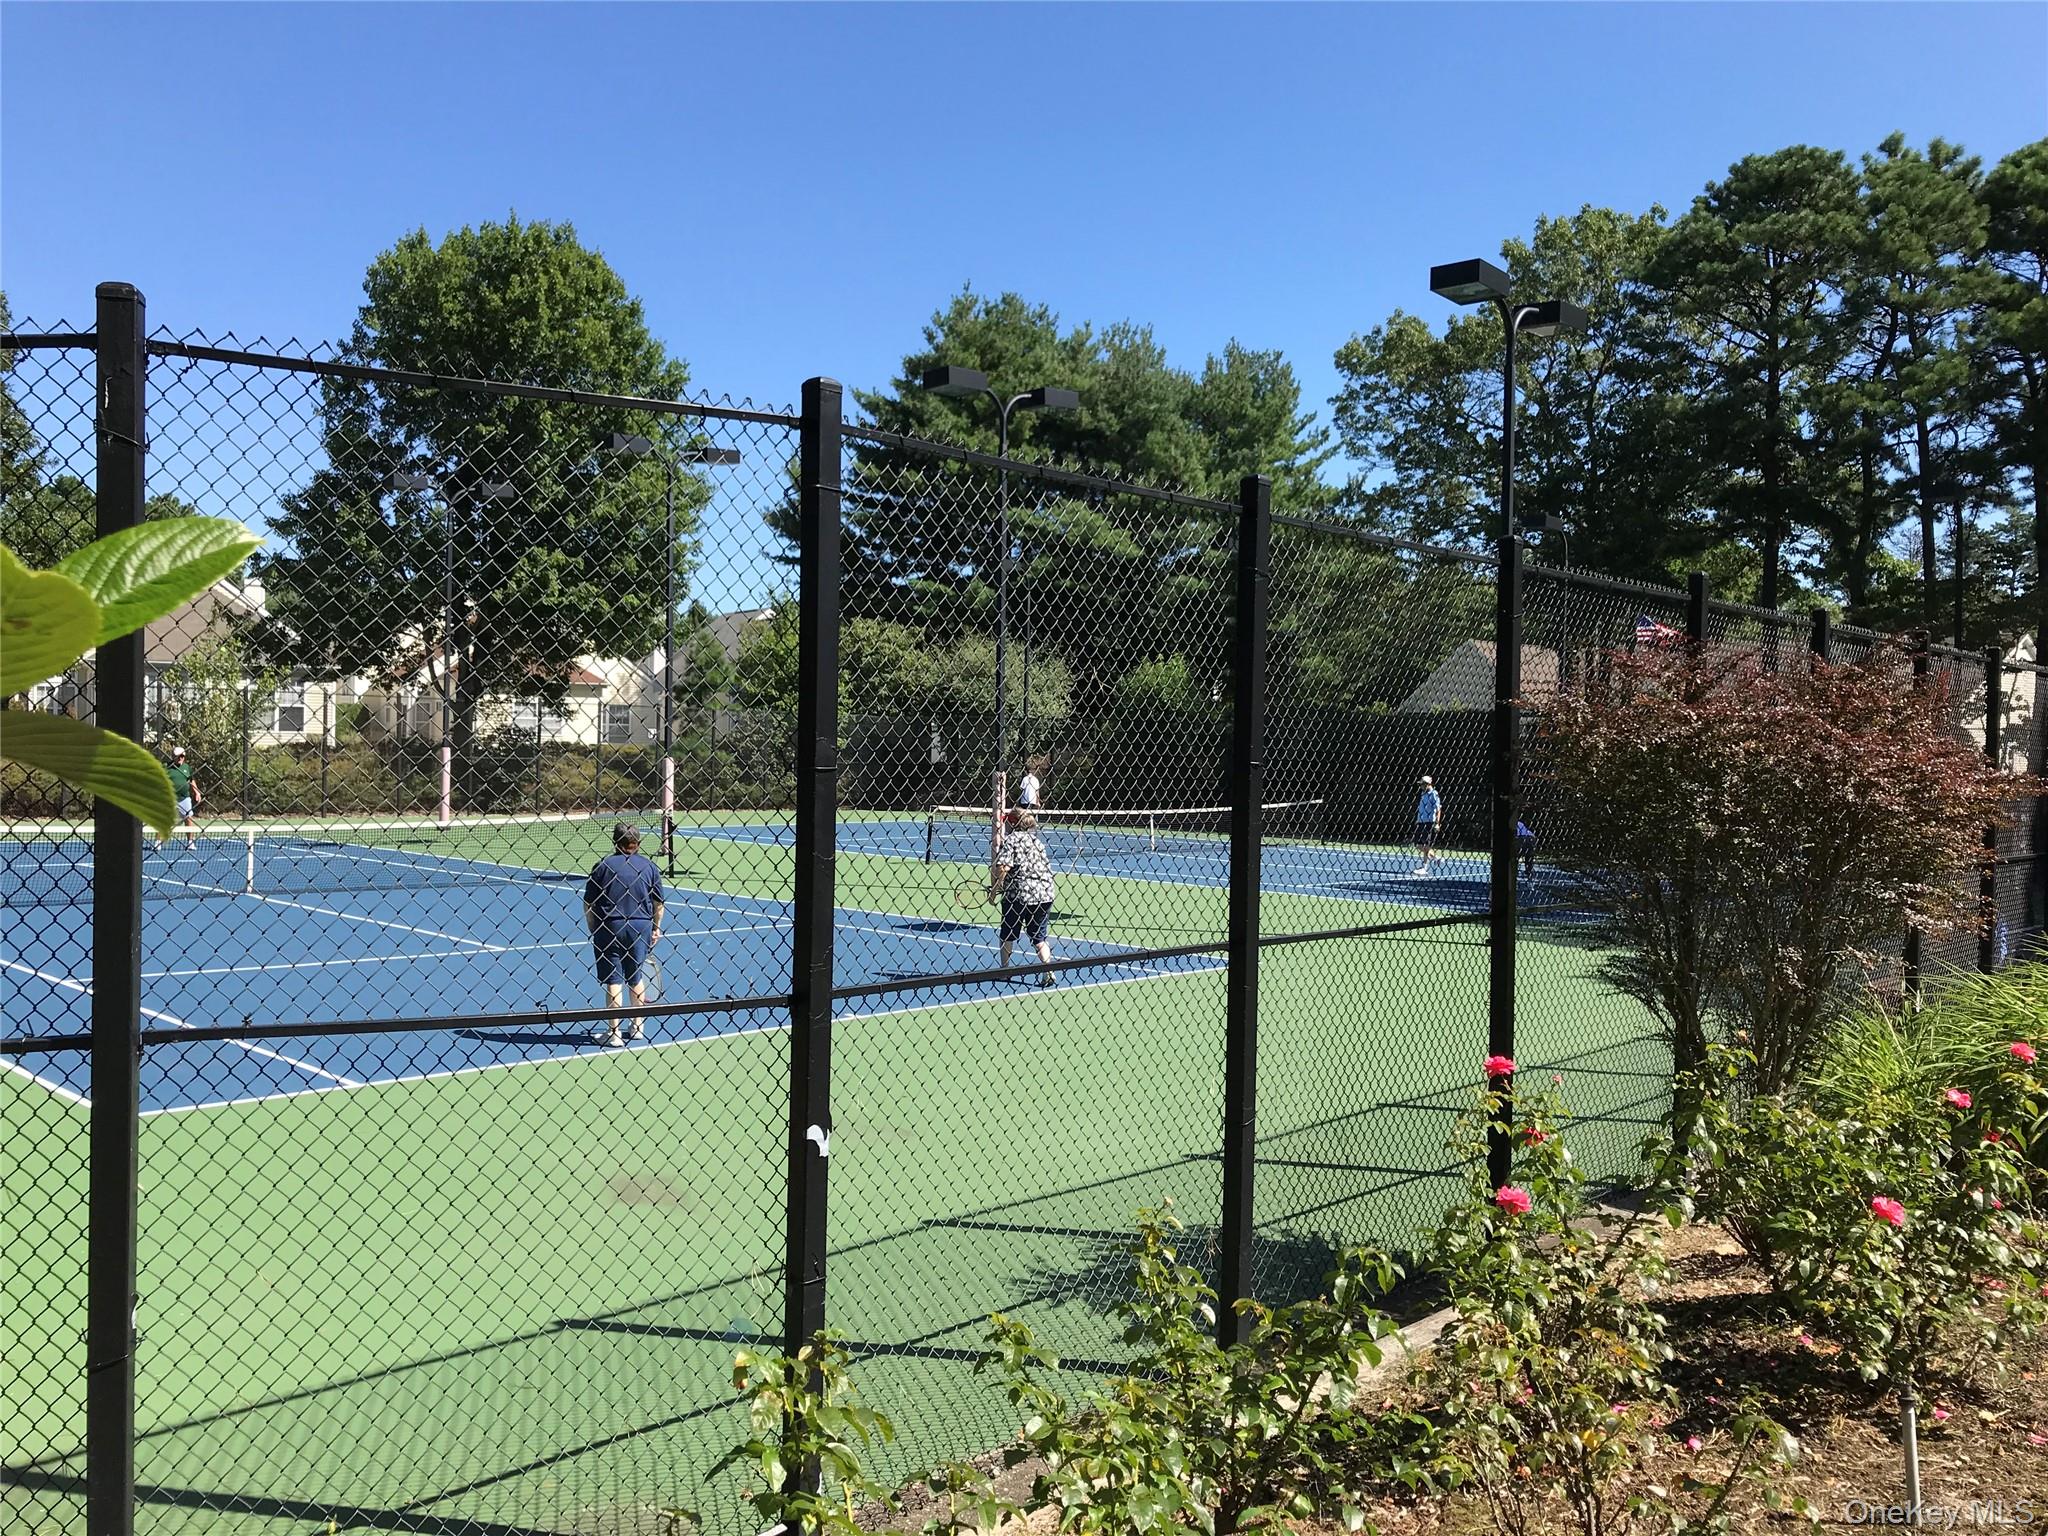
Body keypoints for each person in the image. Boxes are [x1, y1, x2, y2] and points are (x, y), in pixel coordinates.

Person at [584, 823, 665, 1047]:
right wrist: (656, 927)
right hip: (640, 927)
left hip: (610, 927)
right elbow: (659, 904)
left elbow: (588, 903)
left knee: (614, 980)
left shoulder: (603, 866)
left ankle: (614, 1034)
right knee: (636, 977)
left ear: (615, 842)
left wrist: (593, 927)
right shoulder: (649, 867)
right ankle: (637, 1026)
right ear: (637, 843)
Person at [995, 808, 1057, 988]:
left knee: (1007, 934)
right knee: (1039, 937)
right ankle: (1048, 970)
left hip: (1019, 895)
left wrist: (995, 890)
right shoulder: (1036, 841)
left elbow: (1003, 867)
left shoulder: (1011, 840)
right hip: (1045, 893)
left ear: (1012, 823)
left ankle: (1004, 971)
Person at [162, 746, 201, 851]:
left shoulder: (187, 767)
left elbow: (191, 780)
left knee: (189, 818)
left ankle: (190, 842)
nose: (180, 758)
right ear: (173, 756)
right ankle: (158, 842)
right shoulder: (166, 767)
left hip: (184, 798)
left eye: (182, 756)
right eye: (178, 756)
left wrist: (197, 792)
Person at [1411, 775, 1443, 876]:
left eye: (1422, 784)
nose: (1420, 786)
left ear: (1427, 784)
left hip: (1429, 822)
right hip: (1421, 822)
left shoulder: (1434, 794)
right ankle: (1436, 858)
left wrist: (1437, 823)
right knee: (1418, 845)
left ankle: (1424, 868)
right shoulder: (1423, 794)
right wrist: (1418, 819)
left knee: (1425, 845)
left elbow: (1438, 809)